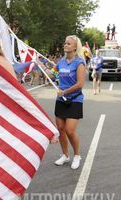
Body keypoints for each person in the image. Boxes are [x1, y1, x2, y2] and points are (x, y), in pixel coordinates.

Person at [40, 35, 86, 169]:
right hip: (61, 100)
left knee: (70, 130)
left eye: (68, 44)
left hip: (74, 100)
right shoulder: (61, 62)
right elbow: (52, 75)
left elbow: (80, 84)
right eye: (65, 43)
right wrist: (41, 66)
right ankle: (65, 155)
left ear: (75, 47)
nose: (65, 45)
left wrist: (65, 92)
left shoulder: (79, 63)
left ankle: (77, 155)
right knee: (61, 129)